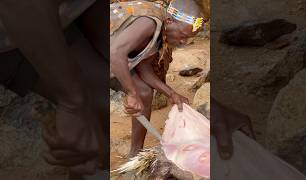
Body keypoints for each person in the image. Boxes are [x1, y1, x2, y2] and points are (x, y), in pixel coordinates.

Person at [110, 0, 255, 160]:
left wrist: (171, 94)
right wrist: (131, 93)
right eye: (183, 36)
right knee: (136, 92)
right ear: (170, 21)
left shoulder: (160, 31)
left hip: (108, 57)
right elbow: (115, 53)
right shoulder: (149, 22)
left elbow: (143, 69)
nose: (183, 42)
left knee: (144, 92)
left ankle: (135, 153)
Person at [0, 0, 108, 179]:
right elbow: (19, 6)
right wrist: (73, 102)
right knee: (103, 106)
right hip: (15, 20)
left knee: (118, 90)